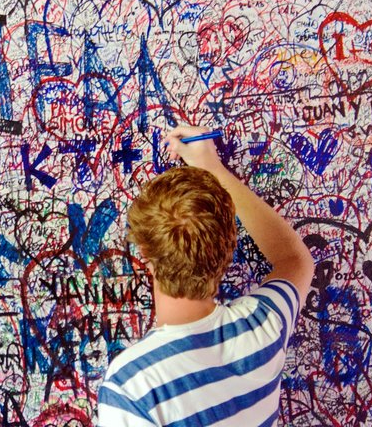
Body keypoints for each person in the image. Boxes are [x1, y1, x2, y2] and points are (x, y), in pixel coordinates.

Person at [97, 126, 314, 426]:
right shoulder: (264, 327)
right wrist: (213, 168)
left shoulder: (132, 388)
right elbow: (295, 259)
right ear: (229, 246)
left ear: (144, 254)